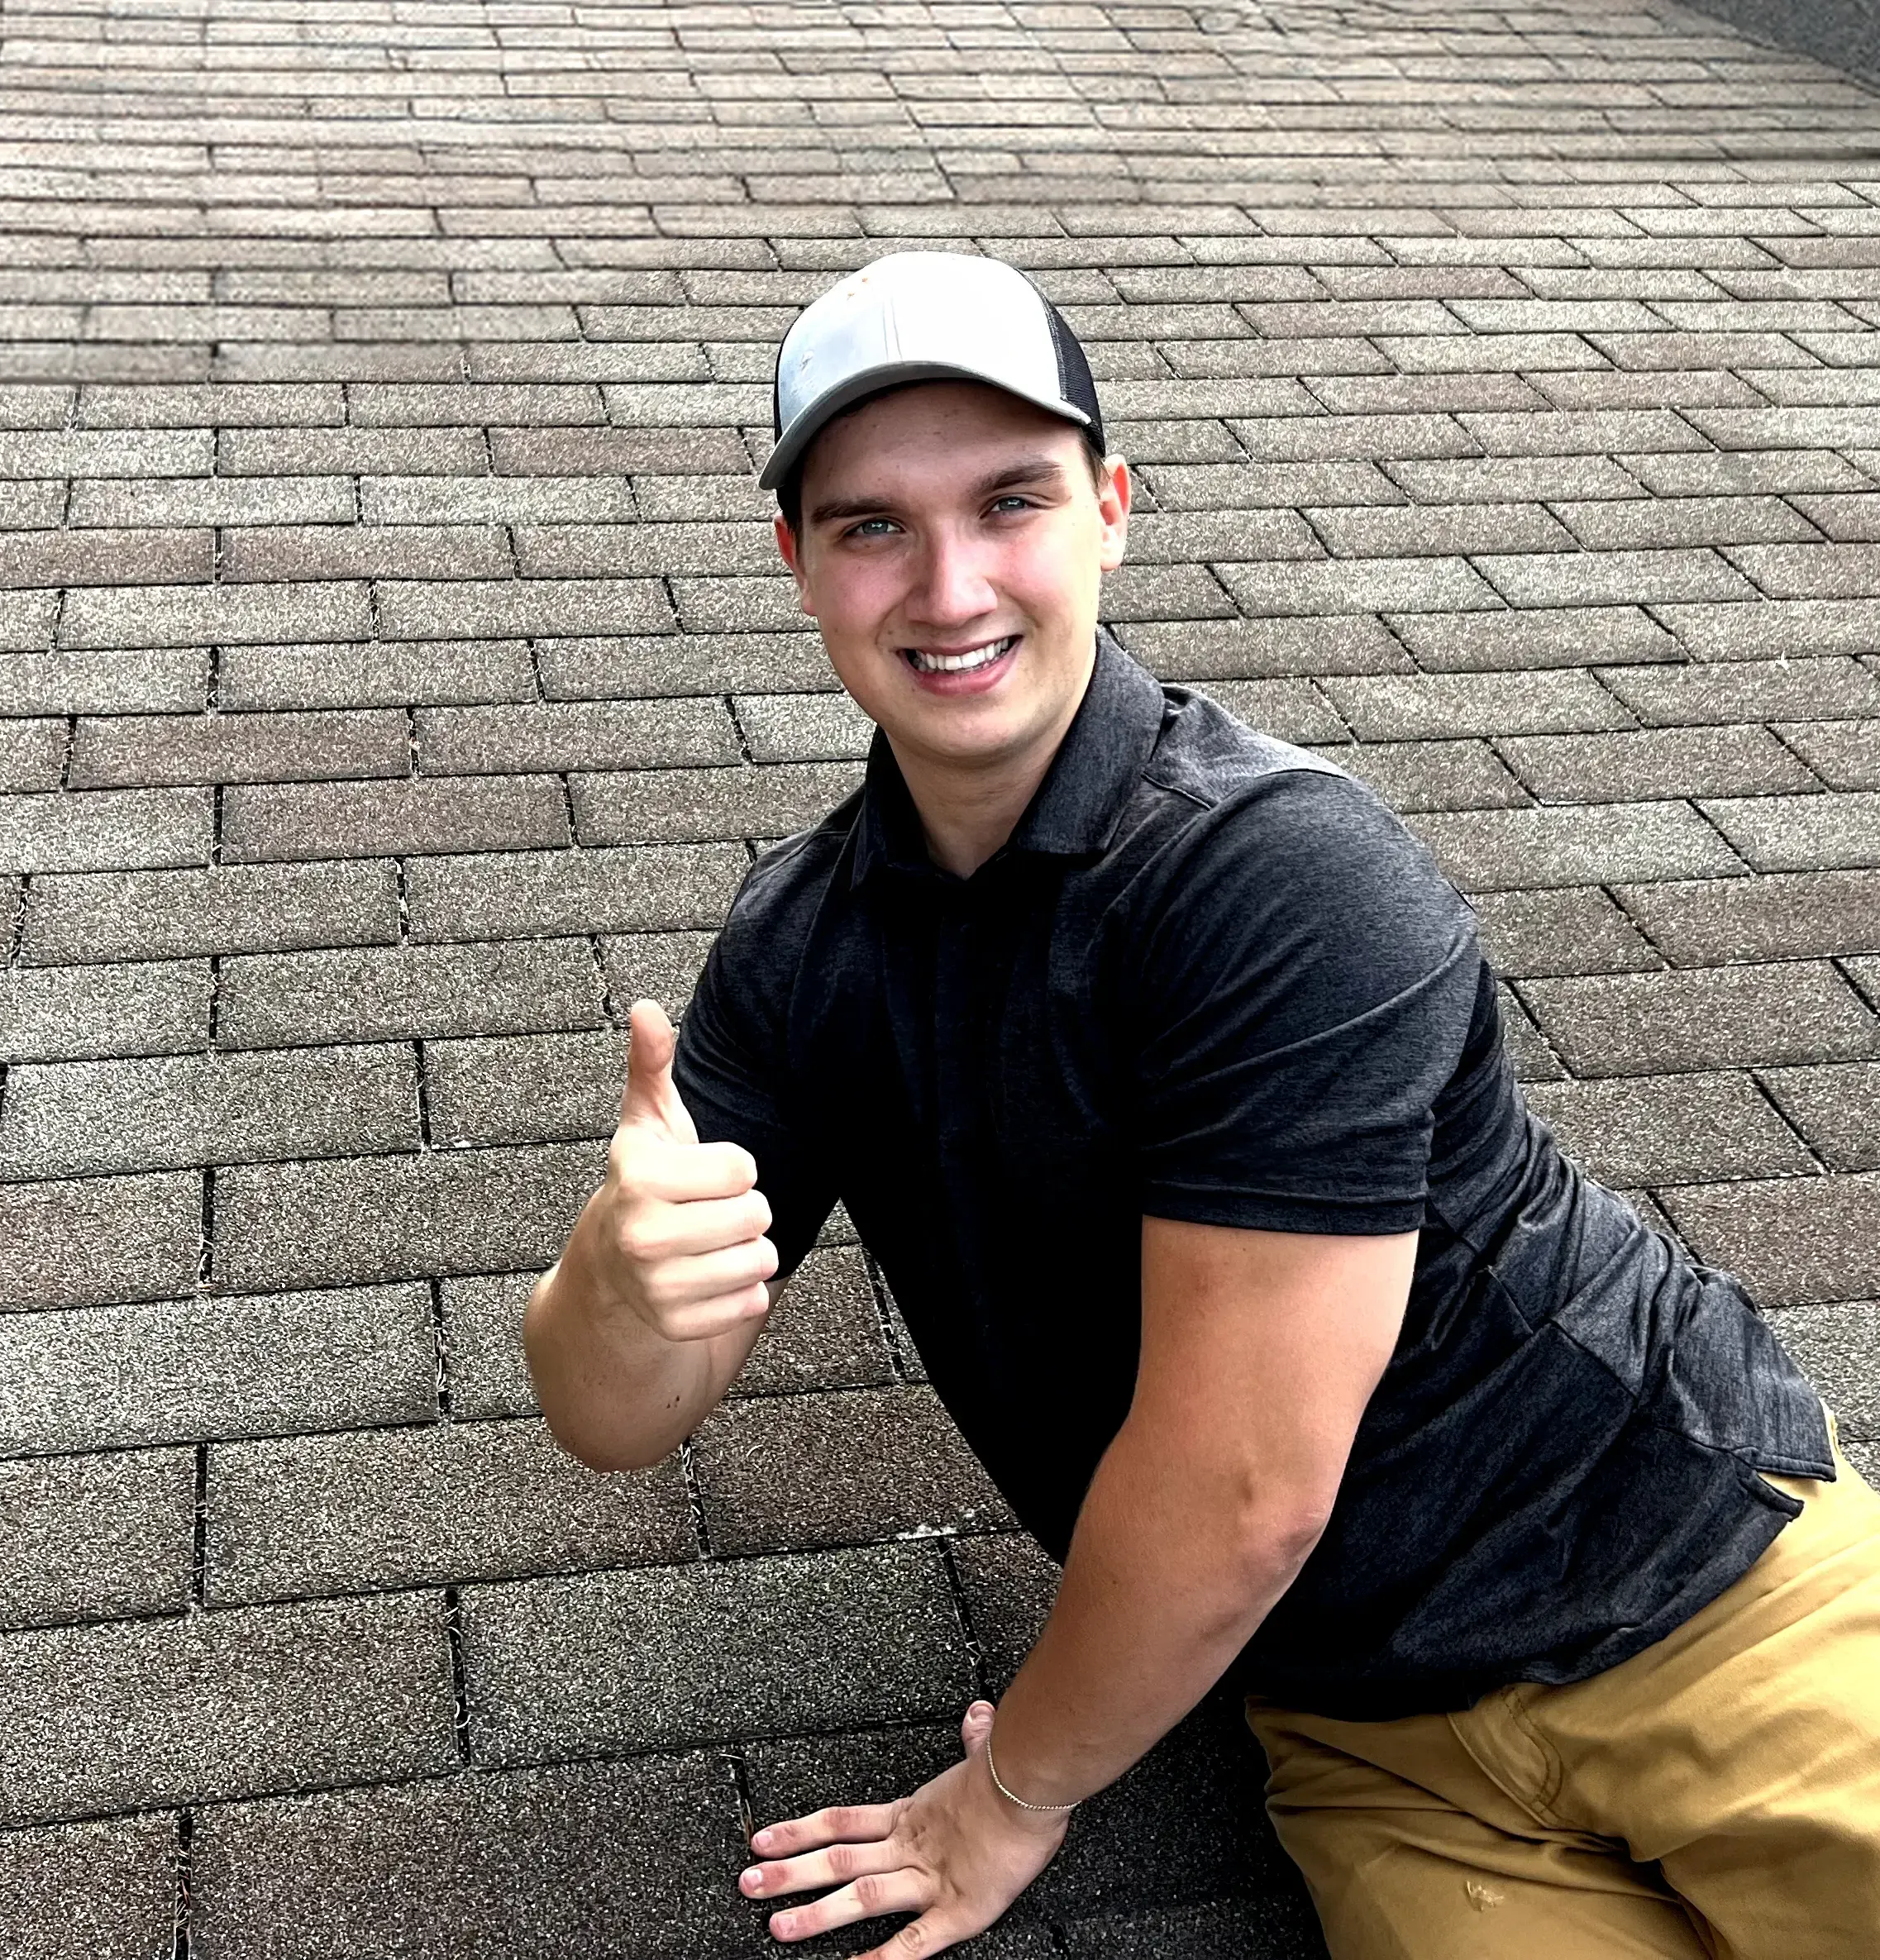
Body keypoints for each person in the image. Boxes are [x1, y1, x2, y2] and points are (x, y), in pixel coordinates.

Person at [520, 250, 1880, 1959]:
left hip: (1696, 1584)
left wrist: (1010, 1791)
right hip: (1365, 1738)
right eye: (872, 526)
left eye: (1007, 501)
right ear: (798, 565)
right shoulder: (802, 953)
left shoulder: (1276, 877)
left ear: (1108, 507)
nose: (947, 588)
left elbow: (1246, 1486)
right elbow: (614, 1416)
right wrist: (616, 1283)